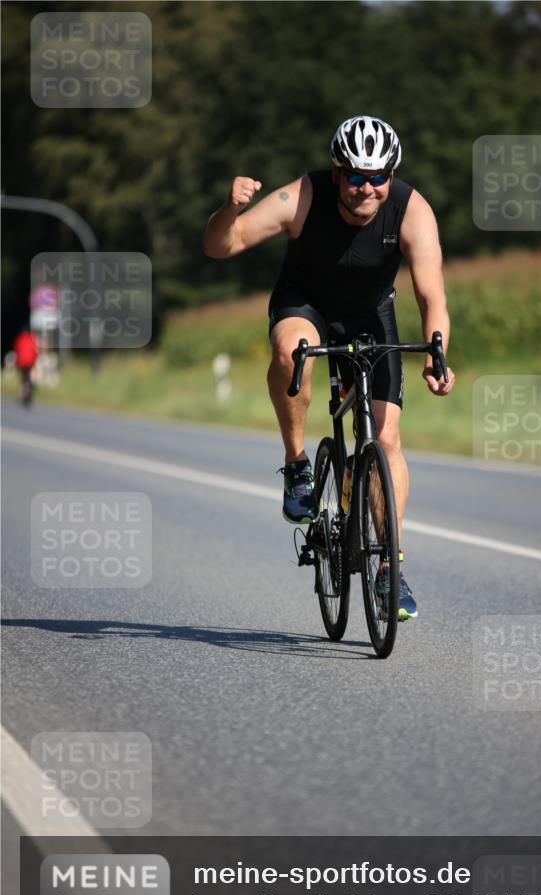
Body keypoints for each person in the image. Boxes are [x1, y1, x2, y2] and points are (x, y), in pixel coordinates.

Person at [204, 115, 455, 621]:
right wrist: (229, 211)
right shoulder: (302, 197)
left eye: (378, 176)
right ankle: (297, 465)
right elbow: (220, 246)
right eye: (356, 176)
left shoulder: (412, 210)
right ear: (337, 172)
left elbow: (432, 294)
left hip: (371, 314)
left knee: (387, 441)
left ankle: (389, 568)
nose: (367, 188)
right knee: (291, 350)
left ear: (391, 175)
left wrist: (437, 351)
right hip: (306, 303)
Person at [13, 324, 40, 407]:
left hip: (21, 362)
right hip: (30, 362)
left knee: (22, 378)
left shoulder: (19, 338)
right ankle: (29, 389)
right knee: (29, 377)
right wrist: (35, 361)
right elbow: (35, 350)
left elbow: (16, 350)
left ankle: (22, 394)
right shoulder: (32, 338)